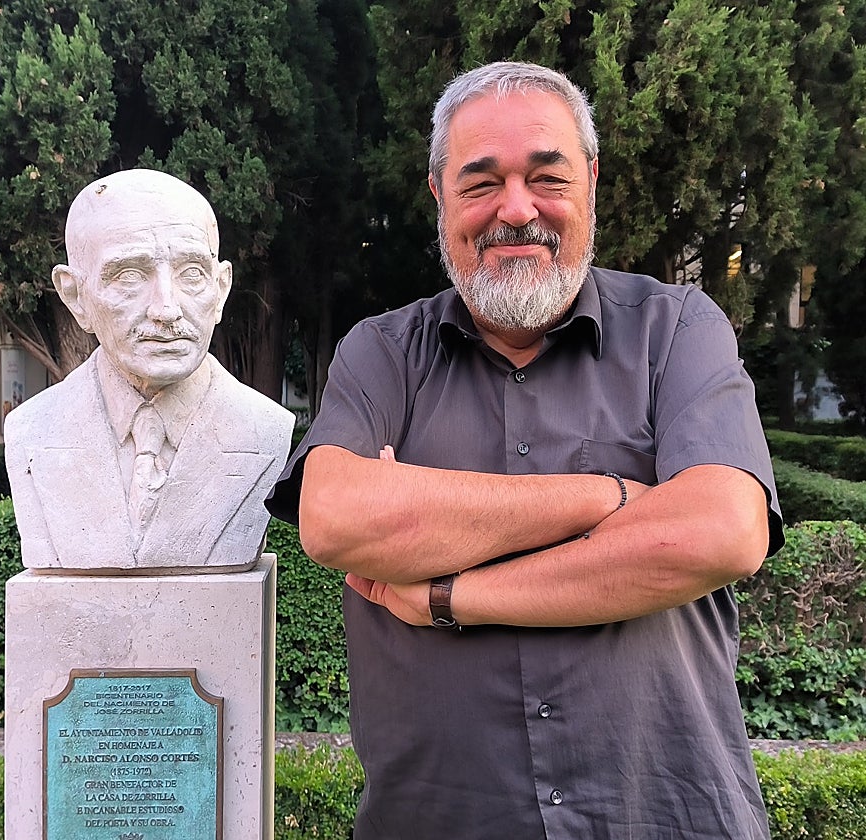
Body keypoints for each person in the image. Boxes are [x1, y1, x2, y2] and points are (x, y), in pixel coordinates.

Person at [267, 62, 784, 838]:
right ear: (440, 194)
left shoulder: (678, 329)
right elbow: (337, 519)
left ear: (591, 182)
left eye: (547, 175)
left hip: (666, 817)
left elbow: (721, 532)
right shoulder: (380, 354)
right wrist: (604, 497)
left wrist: (448, 596)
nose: (516, 210)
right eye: (481, 183)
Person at [5, 168, 293, 574]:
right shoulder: (32, 431)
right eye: (129, 276)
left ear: (220, 289)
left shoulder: (264, 430)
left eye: (191, 274)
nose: (167, 309)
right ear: (75, 296)